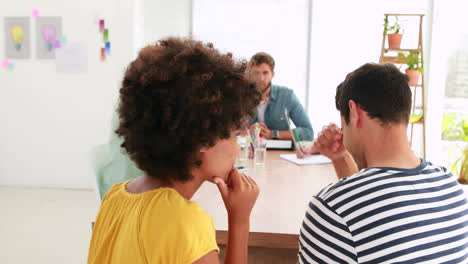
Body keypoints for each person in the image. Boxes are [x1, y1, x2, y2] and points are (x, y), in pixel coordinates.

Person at [88, 37, 262, 264]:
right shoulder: (185, 223)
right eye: (233, 134)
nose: (236, 148)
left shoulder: (114, 198)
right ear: (203, 140)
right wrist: (240, 221)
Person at [297, 63, 468, 263]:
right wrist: (341, 158)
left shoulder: (331, 209)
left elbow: (359, 208)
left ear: (354, 112)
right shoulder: (451, 190)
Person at [246, 52, 314, 142]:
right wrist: (248, 131)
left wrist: (273, 134)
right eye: (256, 73)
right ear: (250, 74)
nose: (261, 78)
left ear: (272, 74)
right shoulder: (240, 97)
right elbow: (228, 131)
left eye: (265, 73)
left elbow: (308, 132)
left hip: (279, 152)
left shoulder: (287, 96)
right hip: (248, 153)